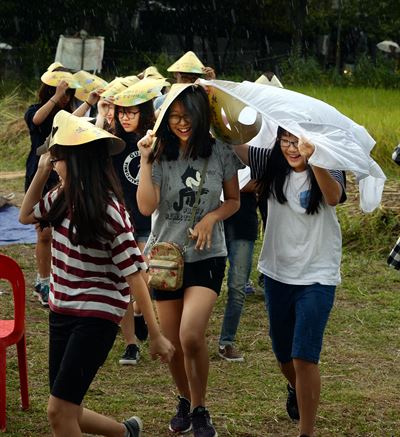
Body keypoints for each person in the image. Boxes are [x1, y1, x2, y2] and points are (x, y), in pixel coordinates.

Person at [19, 111, 174, 437]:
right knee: (66, 407)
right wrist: (42, 169)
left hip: (97, 316)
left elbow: (135, 274)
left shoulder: (108, 210)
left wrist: (156, 334)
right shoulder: (60, 196)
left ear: (76, 161)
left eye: (57, 156)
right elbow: (25, 214)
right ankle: (123, 433)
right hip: (61, 311)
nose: (53, 161)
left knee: (58, 412)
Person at [137, 83, 242, 437]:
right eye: (175, 117)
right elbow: (146, 207)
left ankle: (200, 406)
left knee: (191, 335)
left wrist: (212, 218)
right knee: (173, 344)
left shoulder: (220, 152)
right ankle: (184, 399)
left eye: (188, 117)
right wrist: (146, 160)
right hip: (166, 256)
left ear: (202, 118)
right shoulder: (159, 153)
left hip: (207, 256)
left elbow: (234, 201)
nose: (182, 124)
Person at [234, 128, 346, 437]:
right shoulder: (271, 162)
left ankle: (306, 431)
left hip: (318, 274)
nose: (292, 148)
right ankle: (296, 387)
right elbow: (235, 145)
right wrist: (213, 102)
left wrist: (316, 159)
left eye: (298, 141)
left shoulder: (329, 162)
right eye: (285, 141)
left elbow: (333, 197)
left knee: (303, 355)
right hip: (277, 273)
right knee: (283, 352)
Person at [100, 80, 159, 365]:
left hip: (148, 219)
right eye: (121, 111)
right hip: (120, 221)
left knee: (146, 278)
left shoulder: (153, 140)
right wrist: (101, 113)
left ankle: (139, 313)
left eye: (131, 112)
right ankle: (131, 343)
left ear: (143, 113)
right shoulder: (112, 142)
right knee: (125, 282)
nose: (124, 116)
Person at [24, 66, 78, 306]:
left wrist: (90, 101)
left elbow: (78, 122)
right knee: (43, 232)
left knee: (61, 229)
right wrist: (57, 95)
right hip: (40, 173)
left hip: (62, 173)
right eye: (63, 91)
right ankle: (43, 281)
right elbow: (38, 120)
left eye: (69, 93)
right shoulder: (36, 110)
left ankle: (57, 280)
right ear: (50, 88)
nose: (66, 97)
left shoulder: (67, 113)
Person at [217, 180, 258, 362]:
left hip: (243, 225)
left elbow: (262, 181)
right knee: (206, 286)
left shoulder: (252, 153)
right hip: (213, 224)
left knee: (237, 287)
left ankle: (226, 341)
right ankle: (193, 338)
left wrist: (232, 184)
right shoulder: (211, 151)